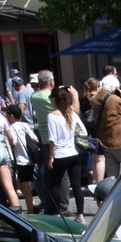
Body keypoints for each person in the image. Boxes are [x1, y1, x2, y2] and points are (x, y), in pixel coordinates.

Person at [44, 85, 87, 216]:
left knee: (55, 184)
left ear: (54, 99)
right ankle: (80, 215)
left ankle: (57, 214)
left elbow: (53, 139)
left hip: (60, 154)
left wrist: (51, 157)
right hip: (74, 153)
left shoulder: (52, 116)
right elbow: (83, 130)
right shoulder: (71, 113)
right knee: (76, 185)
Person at [93, 75, 121, 178]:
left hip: (106, 142)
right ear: (115, 87)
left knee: (112, 177)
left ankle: (113, 194)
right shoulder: (114, 99)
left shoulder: (94, 99)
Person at [5, 104, 38, 209]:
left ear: (11, 115)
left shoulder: (12, 128)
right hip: (29, 160)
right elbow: (35, 139)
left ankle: (31, 210)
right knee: (24, 186)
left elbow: (13, 143)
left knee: (25, 188)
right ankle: (32, 205)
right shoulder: (25, 125)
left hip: (20, 161)